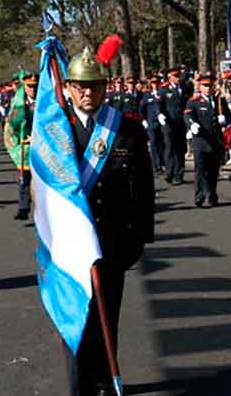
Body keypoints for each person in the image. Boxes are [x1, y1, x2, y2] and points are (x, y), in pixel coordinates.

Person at [63, 46, 155, 396]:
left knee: (107, 318)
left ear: (106, 87)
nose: (89, 93)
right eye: (81, 86)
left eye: (96, 86)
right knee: (77, 321)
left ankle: (104, 380)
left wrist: (141, 237)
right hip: (70, 247)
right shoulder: (57, 131)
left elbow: (144, 187)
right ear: (70, 87)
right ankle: (81, 385)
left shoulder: (127, 130)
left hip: (113, 241)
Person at [184, 75, 230, 207]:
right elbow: (188, 115)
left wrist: (225, 119)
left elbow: (229, 116)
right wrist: (191, 124)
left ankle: (211, 194)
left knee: (213, 171)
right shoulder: (194, 101)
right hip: (201, 141)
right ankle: (199, 196)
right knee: (200, 170)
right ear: (200, 87)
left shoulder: (219, 101)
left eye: (210, 85)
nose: (208, 88)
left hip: (216, 141)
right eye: (205, 85)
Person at [5, 73, 37, 220]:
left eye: (35, 86)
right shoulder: (18, 104)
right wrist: (17, 145)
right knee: (24, 179)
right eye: (30, 86)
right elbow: (11, 127)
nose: (33, 90)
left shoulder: (46, 103)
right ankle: (23, 208)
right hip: (25, 146)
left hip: (42, 147)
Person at [158, 68, 188, 184]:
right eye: (175, 76)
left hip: (181, 123)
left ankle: (179, 174)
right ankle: (169, 172)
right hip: (168, 123)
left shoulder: (184, 88)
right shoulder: (164, 89)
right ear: (170, 77)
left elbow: (187, 103)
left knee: (180, 149)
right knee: (170, 147)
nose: (178, 78)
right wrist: (160, 114)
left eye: (178, 75)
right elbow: (159, 104)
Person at [139, 78, 164, 174]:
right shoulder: (147, 95)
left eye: (156, 82)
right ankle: (156, 165)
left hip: (162, 123)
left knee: (162, 143)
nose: (155, 84)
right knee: (153, 143)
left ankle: (163, 163)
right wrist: (144, 120)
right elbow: (141, 109)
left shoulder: (162, 94)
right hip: (151, 122)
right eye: (153, 83)